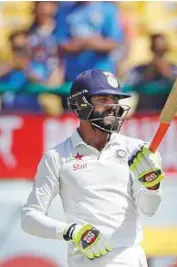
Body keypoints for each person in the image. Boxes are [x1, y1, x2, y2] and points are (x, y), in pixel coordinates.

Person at [21, 69, 164, 267]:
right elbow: (30, 218)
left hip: (129, 258)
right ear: (80, 104)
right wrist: (72, 231)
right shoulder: (57, 156)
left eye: (115, 99)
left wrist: (153, 187)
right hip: (85, 261)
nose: (112, 106)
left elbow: (149, 209)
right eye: (103, 99)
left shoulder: (136, 150)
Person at [57, 2, 124, 81]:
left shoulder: (109, 9)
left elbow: (114, 41)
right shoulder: (65, 10)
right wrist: (81, 44)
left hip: (101, 76)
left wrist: (91, 43)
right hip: (73, 77)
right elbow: (60, 42)